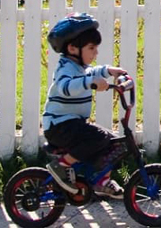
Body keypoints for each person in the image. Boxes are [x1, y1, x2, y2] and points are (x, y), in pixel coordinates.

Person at [43, 13, 132, 197]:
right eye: (91, 48)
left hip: (72, 124)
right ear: (73, 48)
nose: (95, 52)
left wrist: (108, 71)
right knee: (98, 137)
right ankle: (61, 166)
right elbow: (65, 87)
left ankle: (102, 180)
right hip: (59, 126)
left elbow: (91, 71)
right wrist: (89, 83)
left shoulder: (78, 67)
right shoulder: (65, 69)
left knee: (113, 143)